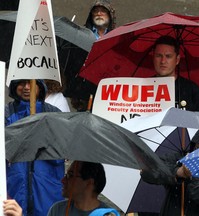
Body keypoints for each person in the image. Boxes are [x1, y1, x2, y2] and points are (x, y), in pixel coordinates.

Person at [5, 79, 64, 216]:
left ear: (40, 86)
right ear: (14, 86)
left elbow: (61, 153)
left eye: (31, 83)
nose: (26, 87)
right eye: (21, 83)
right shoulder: (6, 114)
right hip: (13, 193)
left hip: (47, 195)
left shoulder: (55, 114)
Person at [141, 130, 199, 216]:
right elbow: (148, 169)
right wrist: (177, 172)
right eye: (197, 148)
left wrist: (196, 176)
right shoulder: (181, 159)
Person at [69, 0, 116, 111]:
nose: (99, 13)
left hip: (108, 90)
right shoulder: (80, 35)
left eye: (103, 11)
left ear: (110, 15)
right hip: (84, 90)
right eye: (96, 11)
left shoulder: (117, 37)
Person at [153, 35, 199, 111]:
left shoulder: (191, 90)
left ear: (177, 60)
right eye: (159, 56)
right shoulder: (141, 87)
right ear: (153, 57)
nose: (163, 61)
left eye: (168, 56)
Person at [48, 161, 120, 216]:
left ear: (89, 183)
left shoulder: (107, 214)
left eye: (70, 175)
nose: (63, 180)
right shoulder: (57, 210)